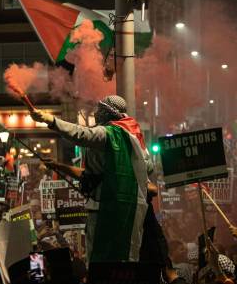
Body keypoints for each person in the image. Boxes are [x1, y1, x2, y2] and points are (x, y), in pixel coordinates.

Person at [30, 95, 152, 263]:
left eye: (100, 110)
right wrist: (59, 166)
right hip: (127, 205)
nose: (96, 113)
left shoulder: (109, 133)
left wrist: (51, 120)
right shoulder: (134, 135)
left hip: (105, 206)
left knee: (101, 259)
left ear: (108, 113)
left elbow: (81, 134)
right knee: (125, 257)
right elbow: (148, 168)